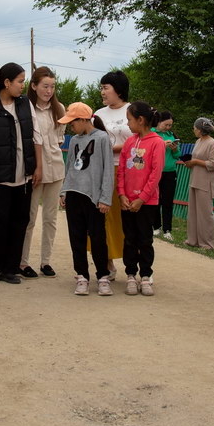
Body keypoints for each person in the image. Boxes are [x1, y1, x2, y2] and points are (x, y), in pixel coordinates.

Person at [0, 63, 43, 284]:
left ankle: (9, 269)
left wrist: (38, 168)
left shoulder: (25, 104)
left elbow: (36, 137)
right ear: (6, 83)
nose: (23, 86)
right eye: (20, 81)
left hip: (24, 178)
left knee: (19, 221)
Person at [58, 102, 114, 295]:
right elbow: (69, 165)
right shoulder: (73, 140)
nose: (70, 126)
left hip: (94, 197)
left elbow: (108, 170)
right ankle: (82, 276)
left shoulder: (102, 138)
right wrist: (64, 191)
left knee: (98, 237)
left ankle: (103, 277)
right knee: (77, 237)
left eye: (72, 122)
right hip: (73, 193)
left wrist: (105, 198)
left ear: (83, 119)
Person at [20, 66, 66, 278]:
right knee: (29, 217)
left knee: (51, 218)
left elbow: (59, 139)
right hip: (33, 172)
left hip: (56, 169)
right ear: (34, 86)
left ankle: (45, 261)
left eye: (52, 86)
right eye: (45, 86)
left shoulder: (60, 109)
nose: (49, 90)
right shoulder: (24, 108)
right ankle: (22, 262)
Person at [116, 101, 166, 295]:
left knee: (145, 240)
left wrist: (142, 198)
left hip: (147, 203)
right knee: (129, 239)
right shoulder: (129, 142)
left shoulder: (157, 142)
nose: (127, 124)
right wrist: (121, 194)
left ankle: (145, 276)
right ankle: (130, 274)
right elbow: (121, 170)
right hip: (126, 202)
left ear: (141, 120)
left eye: (129, 119)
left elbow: (156, 174)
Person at [96, 70, 132, 277]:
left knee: (127, 218)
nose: (102, 92)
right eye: (101, 87)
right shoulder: (98, 114)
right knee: (106, 217)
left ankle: (133, 264)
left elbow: (140, 139)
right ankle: (107, 263)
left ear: (118, 89)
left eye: (105, 87)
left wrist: (115, 148)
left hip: (129, 171)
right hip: (105, 171)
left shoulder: (133, 110)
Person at [182, 117, 214, 250]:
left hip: (205, 181)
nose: (194, 130)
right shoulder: (198, 141)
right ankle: (193, 239)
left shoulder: (211, 143)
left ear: (200, 129)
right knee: (193, 211)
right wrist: (190, 162)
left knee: (205, 213)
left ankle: (207, 242)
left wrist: (196, 162)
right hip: (195, 179)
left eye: (195, 128)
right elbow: (195, 158)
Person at [151, 110, 181, 241]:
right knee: (155, 200)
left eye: (170, 125)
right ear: (158, 122)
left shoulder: (171, 135)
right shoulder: (151, 133)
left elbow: (177, 155)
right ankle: (156, 226)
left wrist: (174, 149)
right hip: (156, 171)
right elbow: (148, 150)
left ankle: (167, 229)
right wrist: (162, 145)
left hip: (170, 171)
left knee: (168, 201)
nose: (168, 127)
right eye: (166, 125)